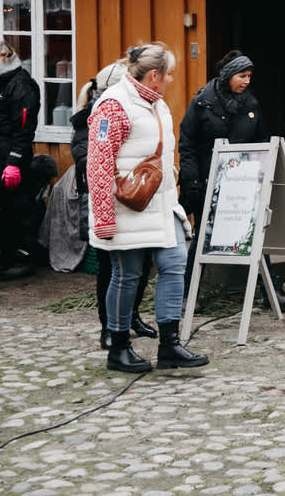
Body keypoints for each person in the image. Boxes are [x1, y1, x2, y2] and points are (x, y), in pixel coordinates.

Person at [87, 42, 207, 373]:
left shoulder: (156, 104)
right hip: (126, 207)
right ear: (154, 76)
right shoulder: (113, 105)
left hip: (162, 205)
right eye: (169, 75)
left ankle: (170, 346)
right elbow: (98, 163)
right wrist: (104, 218)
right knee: (127, 276)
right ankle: (119, 347)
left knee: (173, 265)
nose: (171, 80)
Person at [177, 50, 277, 304]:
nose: (247, 81)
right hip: (207, 180)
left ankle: (270, 294)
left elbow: (261, 141)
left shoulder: (251, 104)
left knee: (254, 233)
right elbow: (187, 143)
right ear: (228, 76)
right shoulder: (202, 103)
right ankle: (190, 297)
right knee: (202, 237)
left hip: (242, 181)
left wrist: (261, 173)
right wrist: (192, 181)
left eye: (249, 76)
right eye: (242, 76)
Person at [72, 60, 156, 350]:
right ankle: (108, 326)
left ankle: (132, 316)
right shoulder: (97, 114)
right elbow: (87, 157)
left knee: (141, 264)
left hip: (132, 198)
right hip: (102, 200)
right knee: (109, 268)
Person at [0, 39, 42, 278]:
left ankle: (23, 256)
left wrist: (14, 162)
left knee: (19, 207)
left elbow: (23, 128)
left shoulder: (21, 85)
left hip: (12, 156)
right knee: (0, 208)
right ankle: (3, 255)